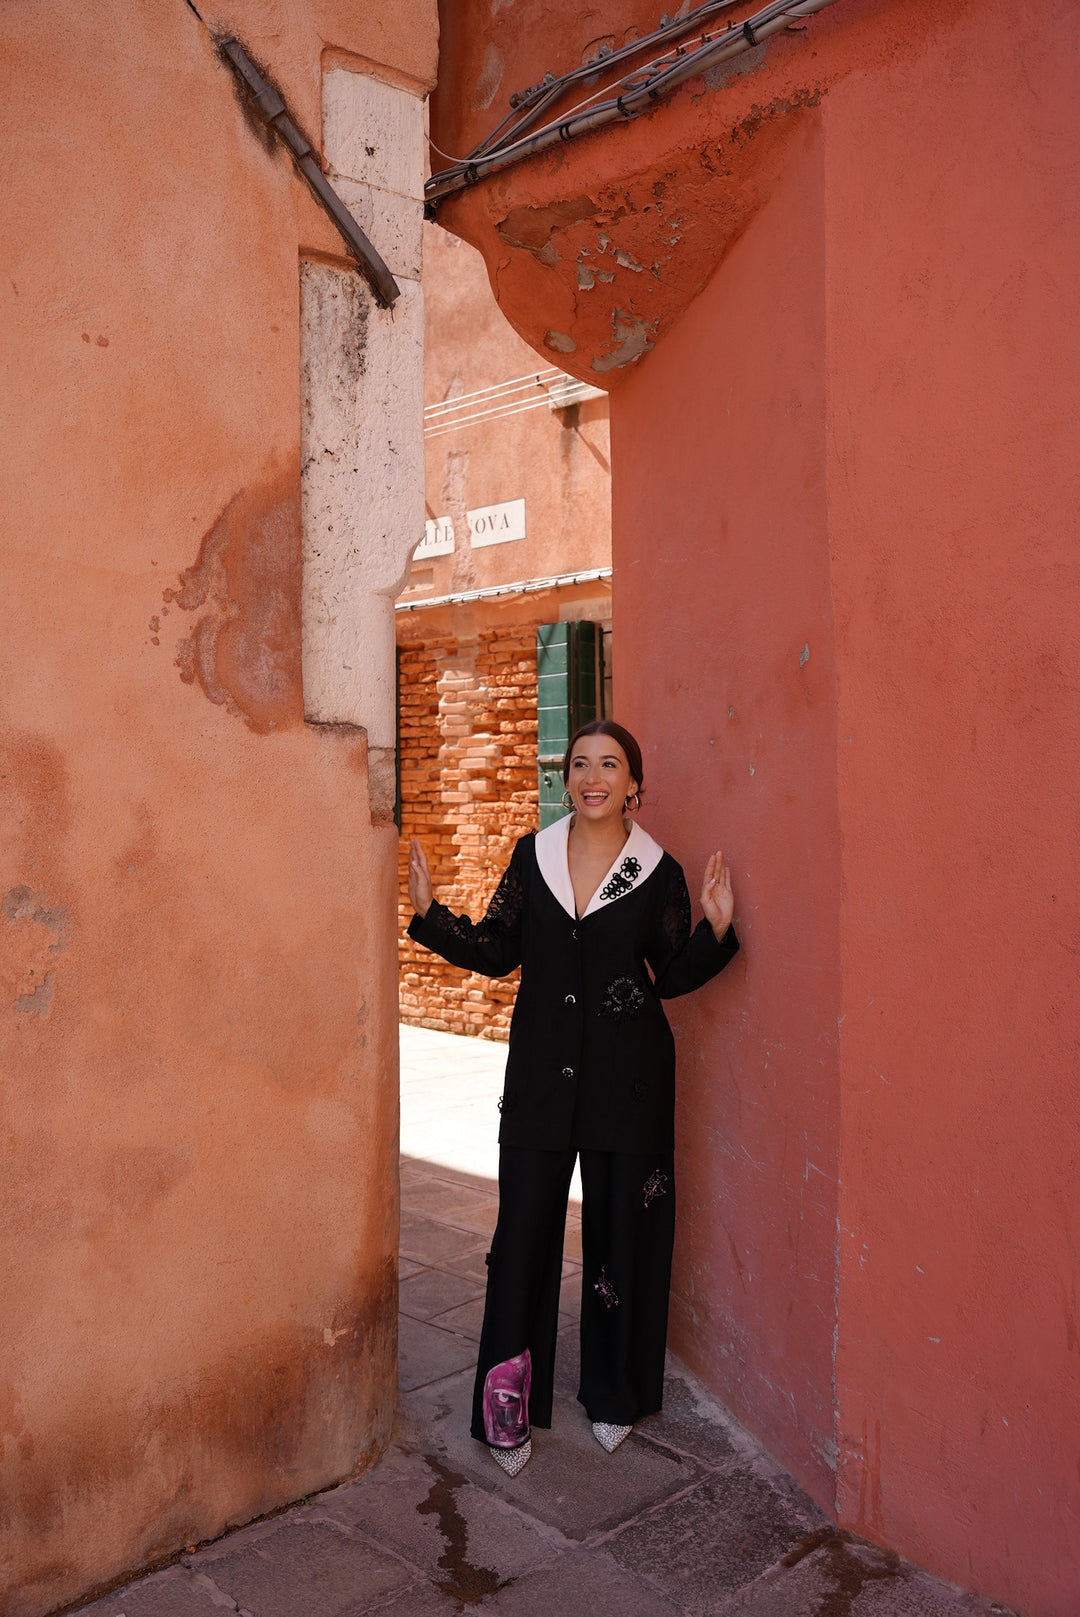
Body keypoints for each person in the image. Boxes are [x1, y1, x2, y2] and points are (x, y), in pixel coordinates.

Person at [406, 719, 738, 1475]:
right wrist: (431, 916)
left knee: (623, 1238)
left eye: (610, 764)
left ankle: (614, 1394)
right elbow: (497, 949)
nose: (593, 775)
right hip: (540, 1084)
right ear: (566, 779)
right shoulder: (536, 854)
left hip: (631, 1085)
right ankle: (507, 1406)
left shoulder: (660, 871)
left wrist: (715, 933)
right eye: (579, 762)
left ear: (634, 785)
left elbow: (670, 974)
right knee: (521, 1238)